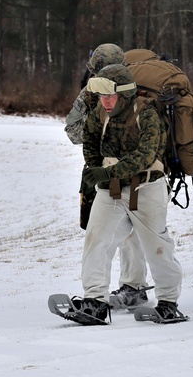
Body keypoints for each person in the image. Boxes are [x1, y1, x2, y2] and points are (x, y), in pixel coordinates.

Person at [73, 64, 184, 322]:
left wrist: (107, 173)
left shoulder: (147, 114)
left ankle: (168, 301)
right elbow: (90, 141)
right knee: (96, 239)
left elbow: (145, 156)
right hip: (110, 190)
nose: (106, 102)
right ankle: (94, 300)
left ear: (124, 94)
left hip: (147, 188)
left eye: (110, 96)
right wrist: (95, 167)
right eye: (102, 96)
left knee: (156, 246)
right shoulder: (99, 114)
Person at [65, 44, 151, 310]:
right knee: (130, 231)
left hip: (107, 170)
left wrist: (98, 126)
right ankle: (132, 286)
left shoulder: (92, 91)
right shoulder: (138, 86)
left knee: (103, 233)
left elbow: (72, 131)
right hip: (141, 173)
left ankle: (103, 294)